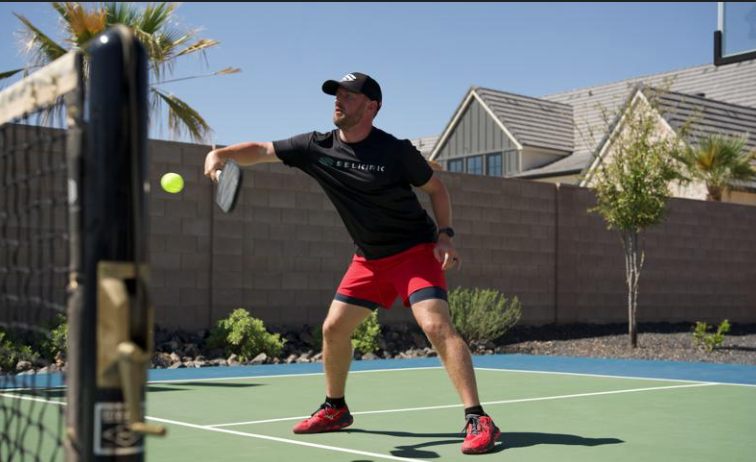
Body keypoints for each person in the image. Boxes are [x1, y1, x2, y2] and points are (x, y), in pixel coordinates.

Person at [204, 72, 500, 454]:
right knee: (333, 329)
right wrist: (221, 155)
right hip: (369, 259)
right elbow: (262, 150)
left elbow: (436, 189)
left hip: (414, 252)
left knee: (435, 325)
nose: (339, 101)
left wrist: (445, 236)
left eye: (349, 96)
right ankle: (335, 408)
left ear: (371, 106)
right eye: (337, 95)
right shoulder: (316, 146)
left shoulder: (395, 151)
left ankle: (478, 418)